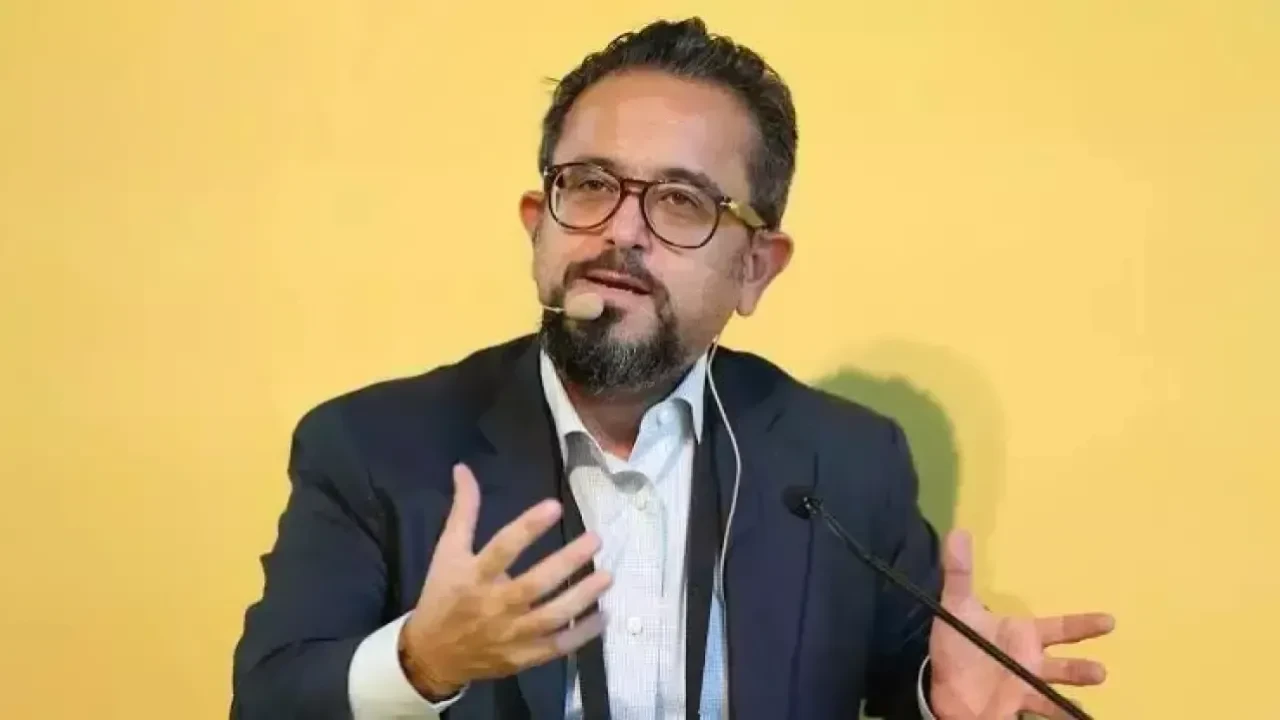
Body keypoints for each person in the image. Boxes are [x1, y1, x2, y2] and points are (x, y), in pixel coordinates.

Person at [231, 17, 1114, 720]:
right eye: (589, 185)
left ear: (756, 269)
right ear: (539, 222)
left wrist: (935, 702)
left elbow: (906, 674)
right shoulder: (375, 446)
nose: (620, 230)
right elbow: (268, 699)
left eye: (681, 202)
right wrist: (421, 663)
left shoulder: (844, 464)